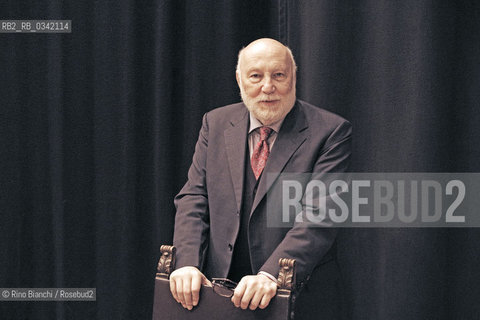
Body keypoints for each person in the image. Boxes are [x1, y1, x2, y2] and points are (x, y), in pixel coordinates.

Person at [169, 38, 351, 318]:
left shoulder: (331, 131)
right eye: (256, 76)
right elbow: (195, 197)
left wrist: (271, 274)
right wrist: (187, 262)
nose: (268, 87)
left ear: (294, 77)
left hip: (300, 301)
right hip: (222, 300)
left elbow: (321, 216)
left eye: (279, 75)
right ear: (239, 79)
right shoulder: (214, 123)